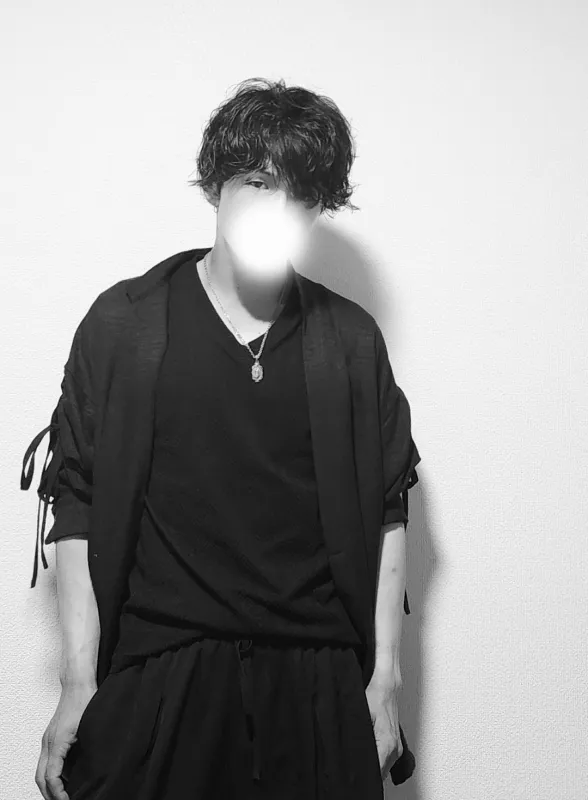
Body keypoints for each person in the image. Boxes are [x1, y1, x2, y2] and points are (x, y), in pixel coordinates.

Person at [21, 77, 421, 800]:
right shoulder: (126, 324)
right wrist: (78, 683)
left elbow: (389, 506)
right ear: (216, 184)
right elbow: (76, 498)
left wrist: (384, 681)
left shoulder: (349, 341)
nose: (277, 209)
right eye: (258, 182)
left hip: (315, 684)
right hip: (161, 672)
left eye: (300, 194)